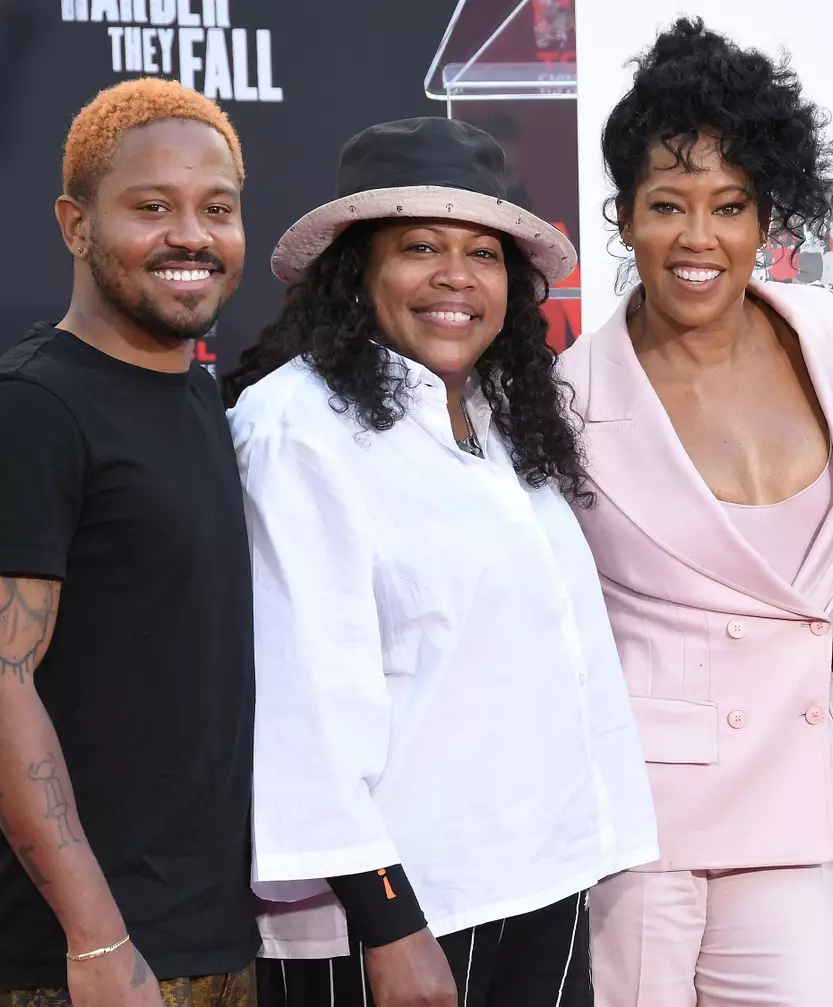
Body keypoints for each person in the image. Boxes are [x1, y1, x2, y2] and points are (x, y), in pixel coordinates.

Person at [221, 117, 659, 1006]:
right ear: (356, 271)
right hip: (392, 918)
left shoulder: (503, 420)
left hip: (540, 885)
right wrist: (389, 925)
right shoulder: (294, 430)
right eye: (420, 246)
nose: (456, 277)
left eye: (484, 253)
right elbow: (300, 706)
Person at [558, 19, 833, 1007]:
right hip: (644, 825)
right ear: (623, 218)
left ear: (765, 216)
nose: (699, 238)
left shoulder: (820, 333)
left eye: (729, 206)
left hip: (793, 794)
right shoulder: (567, 396)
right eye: (667, 206)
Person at [0, 79, 258, 1006]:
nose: (191, 235)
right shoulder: (34, 407)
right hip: (84, 964)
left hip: (217, 941)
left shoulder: (203, 399)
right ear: (75, 224)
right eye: (152, 207)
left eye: (216, 209)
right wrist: (96, 939)